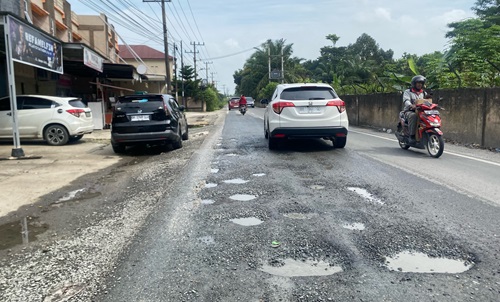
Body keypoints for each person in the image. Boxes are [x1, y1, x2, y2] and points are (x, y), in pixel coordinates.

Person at [403, 75, 429, 143]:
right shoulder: (408, 92)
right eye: (418, 83)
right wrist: (411, 105)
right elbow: (406, 100)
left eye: (421, 83)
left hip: (421, 111)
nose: (419, 84)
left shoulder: (423, 93)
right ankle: (412, 135)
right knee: (413, 116)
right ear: (414, 83)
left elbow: (427, 102)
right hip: (410, 111)